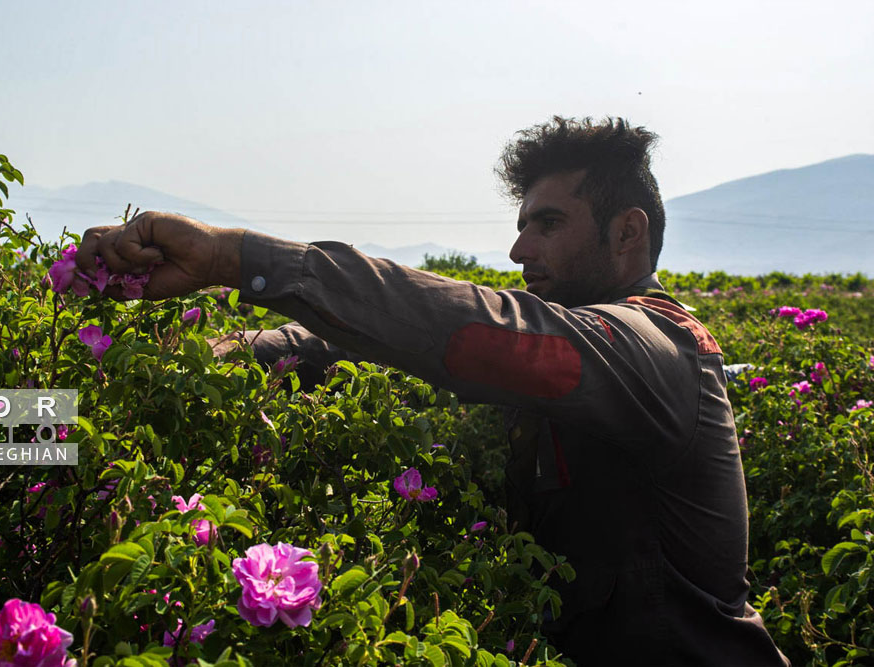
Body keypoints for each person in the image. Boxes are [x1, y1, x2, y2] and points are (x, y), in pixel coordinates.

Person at [75, 116, 789, 666]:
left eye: (547, 223)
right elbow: (344, 350)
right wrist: (189, 362)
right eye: (520, 226)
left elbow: (471, 327)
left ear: (627, 232)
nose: (519, 251)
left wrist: (234, 257)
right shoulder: (566, 348)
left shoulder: (649, 350)